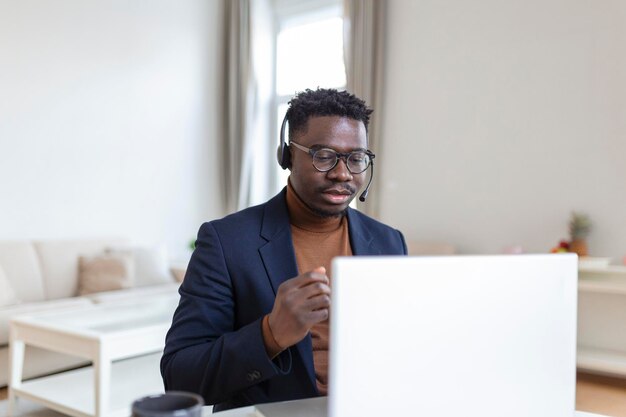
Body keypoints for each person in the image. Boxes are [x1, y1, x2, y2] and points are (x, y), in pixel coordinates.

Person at [160, 88, 407, 412]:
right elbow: (180, 376)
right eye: (323, 155)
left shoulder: (390, 242)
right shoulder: (226, 242)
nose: (342, 173)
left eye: (356, 158)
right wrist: (270, 334)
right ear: (288, 155)